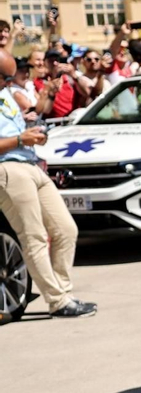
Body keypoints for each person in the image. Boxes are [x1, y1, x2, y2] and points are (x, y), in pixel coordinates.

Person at [0, 51, 95, 319]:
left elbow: (35, 113)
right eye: (6, 78)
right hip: (7, 170)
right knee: (35, 237)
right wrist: (20, 140)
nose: (11, 83)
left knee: (66, 229)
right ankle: (58, 301)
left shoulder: (6, 94)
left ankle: (64, 294)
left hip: (30, 164)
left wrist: (34, 134)